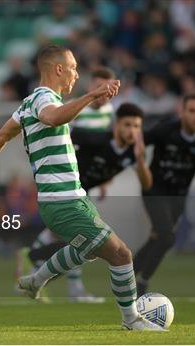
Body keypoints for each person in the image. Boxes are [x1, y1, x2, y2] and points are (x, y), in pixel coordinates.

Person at [0, 44, 164, 331]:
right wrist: (93, 94)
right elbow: (54, 117)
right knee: (122, 254)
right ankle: (131, 320)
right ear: (58, 69)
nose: (76, 74)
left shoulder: (27, 104)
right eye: (73, 68)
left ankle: (35, 280)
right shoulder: (43, 99)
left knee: (90, 250)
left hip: (73, 197)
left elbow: (1, 136)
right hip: (62, 201)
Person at [19, 103, 152, 303]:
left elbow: (146, 183)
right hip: (65, 190)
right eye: (127, 125)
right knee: (90, 243)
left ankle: (36, 267)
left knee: (83, 244)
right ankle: (53, 275)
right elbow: (63, 131)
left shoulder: (134, 152)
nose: (132, 130)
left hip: (81, 194)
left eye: (136, 126)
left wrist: (140, 160)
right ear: (116, 125)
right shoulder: (96, 139)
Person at [133, 92, 195, 296]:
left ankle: (126, 275)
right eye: (192, 111)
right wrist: (138, 155)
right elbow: (139, 138)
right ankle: (142, 283)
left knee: (157, 238)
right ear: (182, 112)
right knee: (167, 236)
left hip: (179, 196)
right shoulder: (166, 130)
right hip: (154, 190)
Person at [71, 67, 115, 132]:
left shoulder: (109, 109)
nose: (104, 92)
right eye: (99, 87)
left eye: (108, 88)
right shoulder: (73, 107)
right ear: (89, 86)